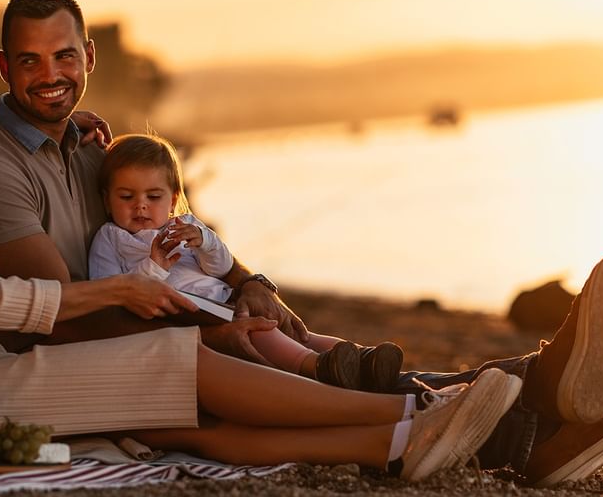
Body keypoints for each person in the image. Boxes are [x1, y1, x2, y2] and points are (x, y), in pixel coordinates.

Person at [0, 0, 603, 486]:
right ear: (4, 68)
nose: (50, 76)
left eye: (63, 56)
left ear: (88, 58)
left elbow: (183, 229)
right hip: (91, 353)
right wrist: (200, 334)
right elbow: (60, 319)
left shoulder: (93, 147)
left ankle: (532, 403)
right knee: (266, 354)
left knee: (299, 339)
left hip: (160, 319)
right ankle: (517, 406)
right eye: (30, 61)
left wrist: (252, 284)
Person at [0, 0, 525, 480]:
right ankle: (414, 416)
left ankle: (403, 437)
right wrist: (124, 290)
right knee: (175, 368)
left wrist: (74, 139)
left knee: (181, 409)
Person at [88, 132, 403, 391]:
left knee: (291, 329)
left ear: (171, 200)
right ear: (106, 199)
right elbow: (110, 295)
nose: (140, 207)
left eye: (153, 198)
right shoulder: (110, 238)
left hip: (224, 299)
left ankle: (365, 360)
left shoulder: (183, 225)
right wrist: (155, 266)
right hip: (188, 314)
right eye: (127, 197)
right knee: (263, 332)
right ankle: (318, 369)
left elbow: (221, 268)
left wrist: (205, 241)